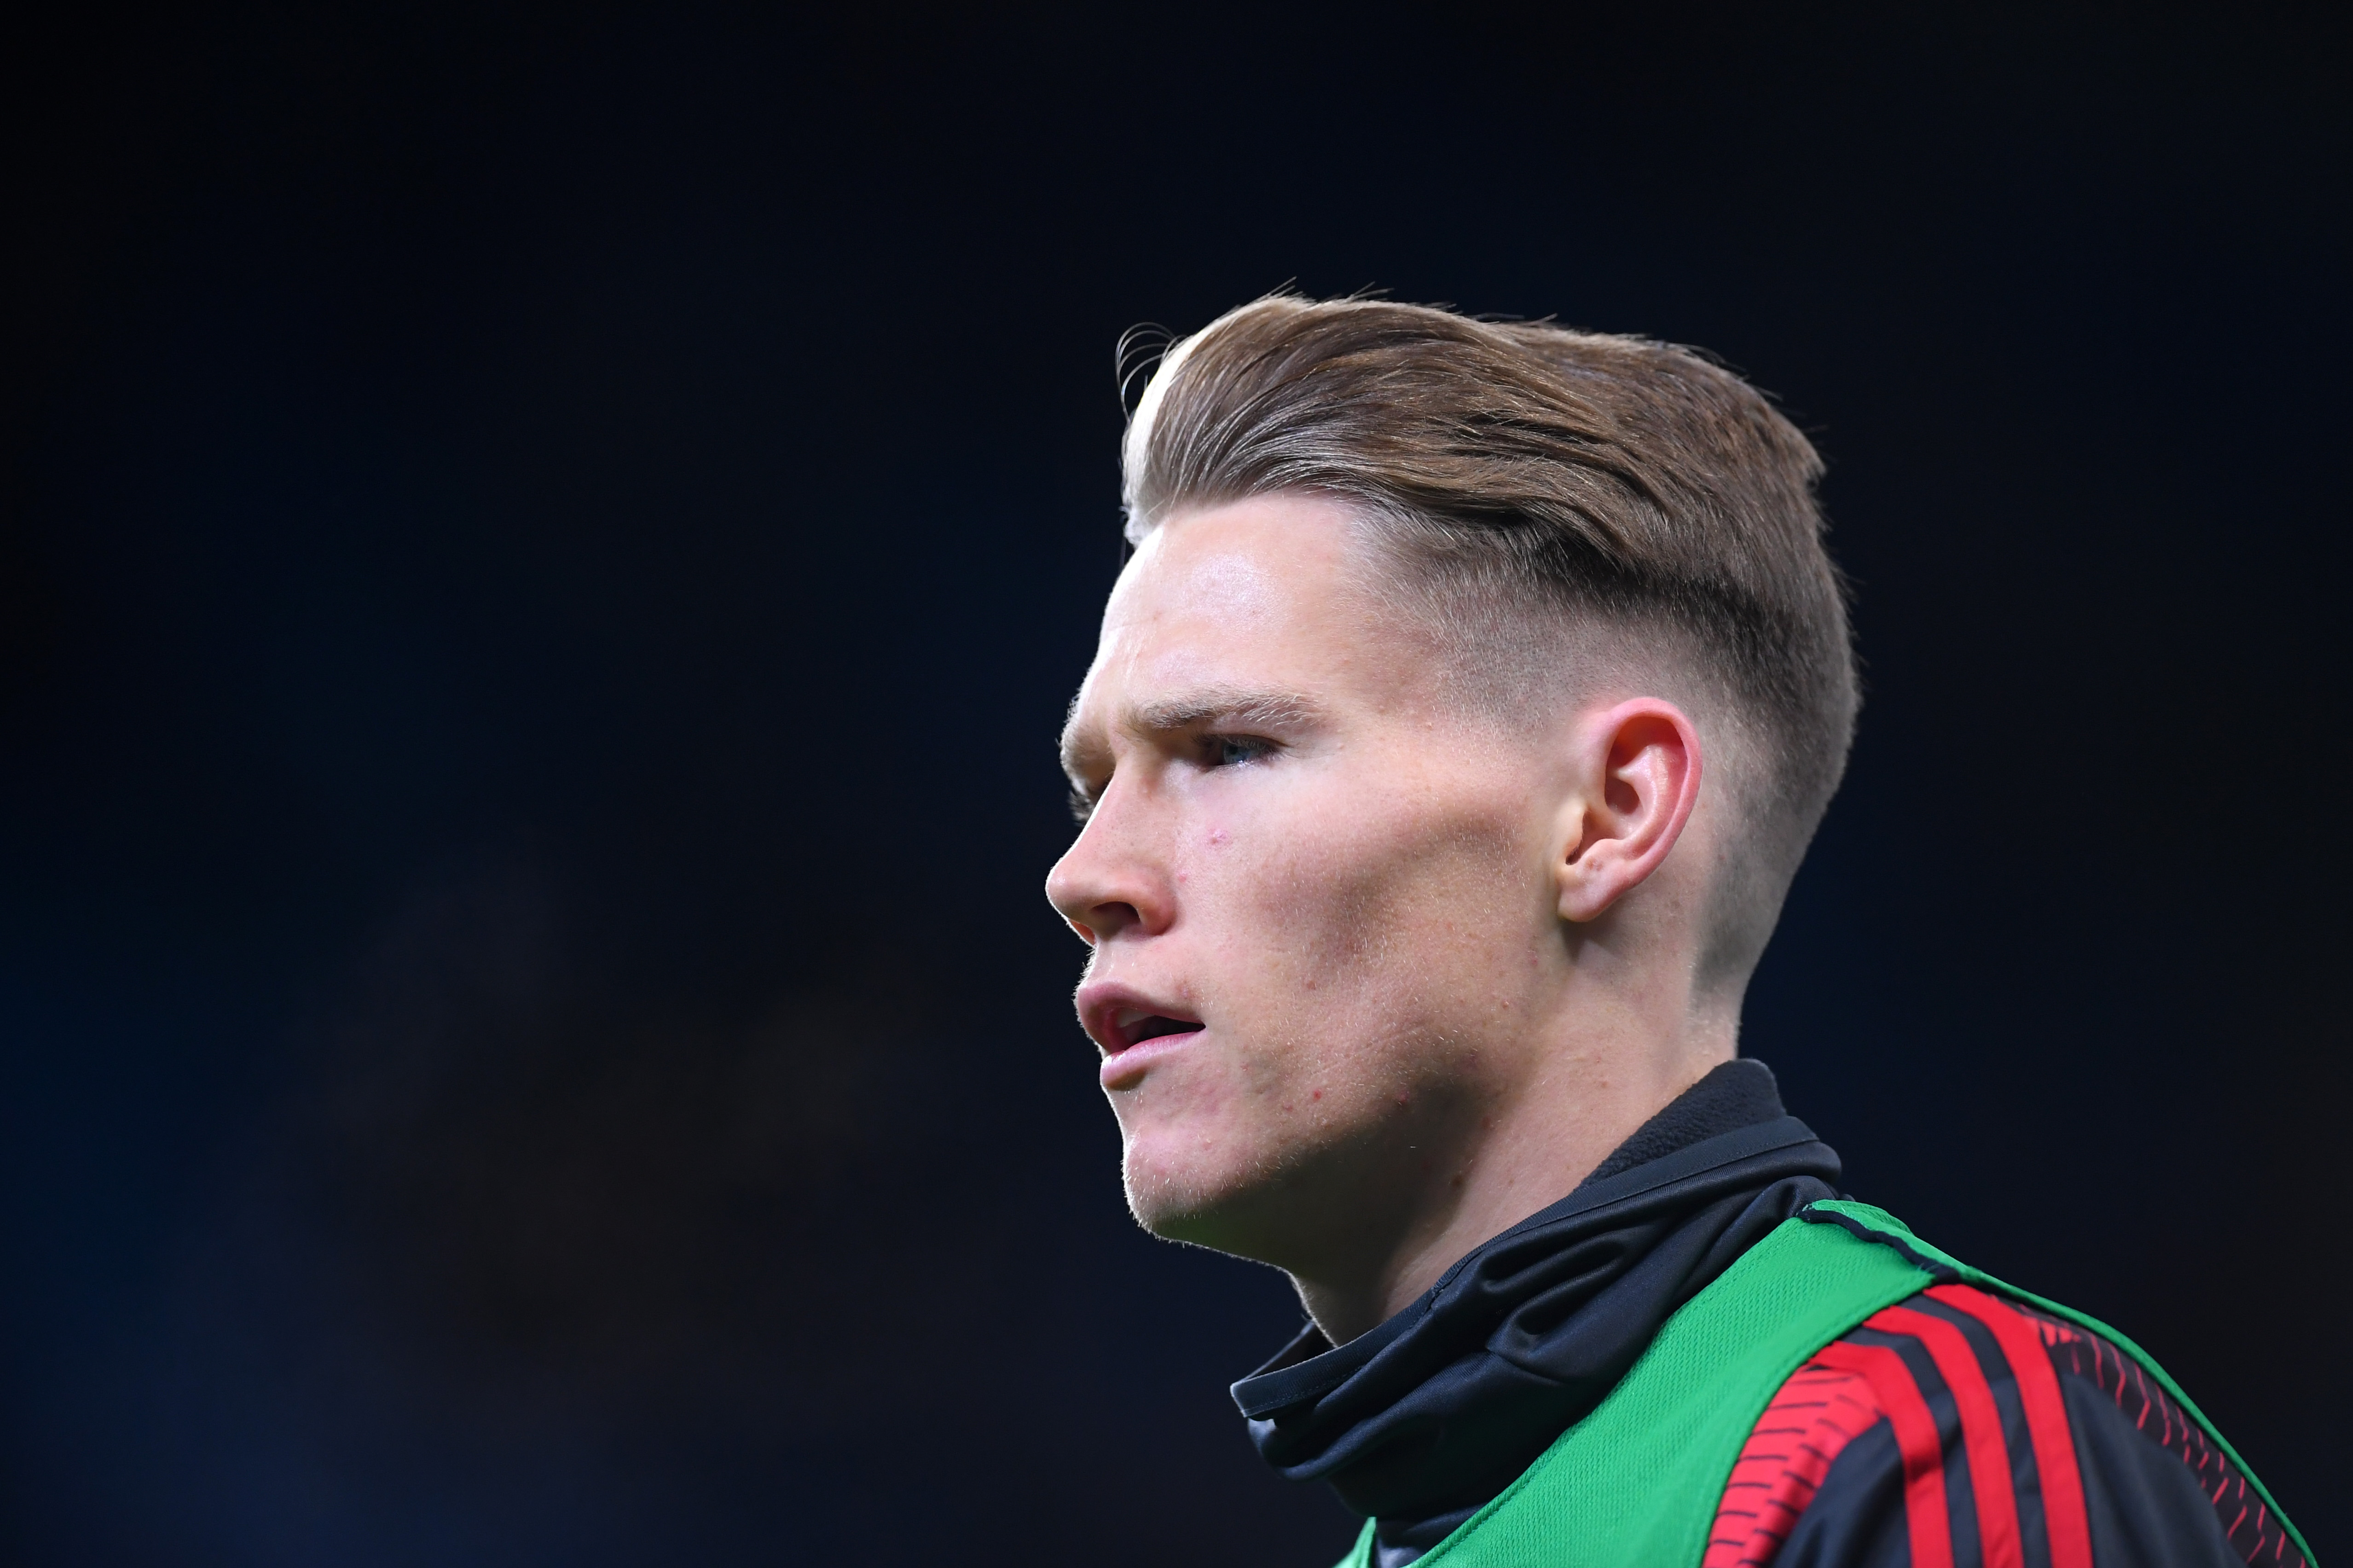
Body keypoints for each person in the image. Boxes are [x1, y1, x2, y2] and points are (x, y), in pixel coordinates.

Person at [1044, 297, 2311, 1568]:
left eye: (1229, 749)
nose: (1083, 875)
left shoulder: (1933, 1449)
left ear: (1610, 813)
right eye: (1095, 792)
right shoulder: (1428, 1531)